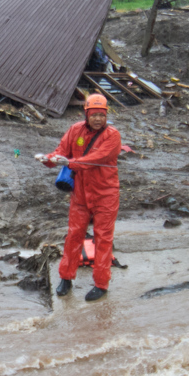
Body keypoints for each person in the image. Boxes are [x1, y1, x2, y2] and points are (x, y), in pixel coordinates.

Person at [37, 94, 121, 302]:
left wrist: (70, 162)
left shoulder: (113, 135)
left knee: (103, 238)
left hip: (106, 195)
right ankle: (66, 277)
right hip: (81, 195)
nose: (98, 119)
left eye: (101, 115)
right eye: (94, 115)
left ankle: (101, 284)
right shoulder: (75, 130)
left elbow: (97, 158)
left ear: (106, 115)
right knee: (74, 235)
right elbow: (61, 152)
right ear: (86, 114)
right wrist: (48, 160)